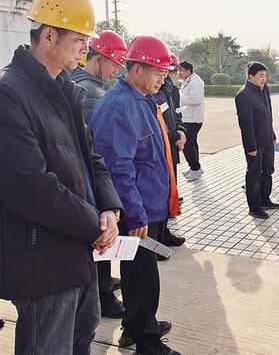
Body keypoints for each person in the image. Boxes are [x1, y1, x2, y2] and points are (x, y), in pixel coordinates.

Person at [0, 0, 123, 355]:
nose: (86, 49)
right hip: (43, 260)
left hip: (78, 250)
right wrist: (94, 226)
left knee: (82, 336)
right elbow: (29, 187)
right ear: (49, 36)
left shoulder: (63, 88)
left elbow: (91, 157)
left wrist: (109, 209)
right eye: (80, 39)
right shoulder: (10, 94)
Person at [90, 35, 181, 355]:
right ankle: (147, 342)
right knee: (142, 277)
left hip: (149, 206)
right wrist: (137, 214)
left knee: (139, 271)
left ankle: (136, 326)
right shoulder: (119, 107)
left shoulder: (141, 99)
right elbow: (117, 169)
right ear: (137, 68)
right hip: (136, 211)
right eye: (158, 73)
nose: (163, 79)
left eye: (165, 74)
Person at [72, 29, 127, 319]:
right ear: (99, 59)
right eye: (114, 64)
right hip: (93, 182)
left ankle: (103, 286)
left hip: (88, 181)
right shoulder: (91, 93)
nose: (116, 71)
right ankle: (104, 296)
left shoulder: (79, 82)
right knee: (101, 239)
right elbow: (95, 148)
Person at [235, 62, 279, 219]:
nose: (264, 79)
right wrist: (250, 146)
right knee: (254, 174)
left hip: (267, 140)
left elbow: (268, 116)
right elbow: (245, 124)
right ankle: (254, 207)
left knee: (268, 170)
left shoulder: (263, 90)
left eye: (265, 76)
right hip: (255, 144)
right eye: (261, 76)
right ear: (250, 76)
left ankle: (265, 199)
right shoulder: (244, 95)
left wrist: (272, 135)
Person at [154, 54, 187, 249]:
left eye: (173, 70)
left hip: (172, 146)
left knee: (169, 189)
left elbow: (176, 114)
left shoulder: (170, 90)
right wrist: (174, 136)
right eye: (169, 70)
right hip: (164, 146)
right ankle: (159, 236)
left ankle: (164, 232)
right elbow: (160, 123)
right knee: (162, 191)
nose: (171, 74)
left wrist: (181, 131)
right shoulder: (155, 91)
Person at [178, 61, 205, 181]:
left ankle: (195, 168)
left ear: (188, 71)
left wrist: (179, 98)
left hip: (192, 119)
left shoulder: (195, 82)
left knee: (187, 144)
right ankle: (195, 167)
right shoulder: (188, 81)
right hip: (189, 117)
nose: (179, 73)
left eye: (181, 70)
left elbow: (196, 99)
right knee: (192, 143)